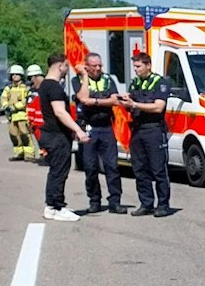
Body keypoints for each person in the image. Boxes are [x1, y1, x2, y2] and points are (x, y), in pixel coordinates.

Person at [119, 52, 174, 217]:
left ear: (148, 65)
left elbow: (158, 107)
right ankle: (146, 203)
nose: (135, 70)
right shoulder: (135, 83)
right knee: (140, 168)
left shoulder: (160, 82)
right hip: (137, 129)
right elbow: (131, 105)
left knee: (158, 169)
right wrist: (126, 103)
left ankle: (163, 205)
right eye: (134, 66)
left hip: (154, 129)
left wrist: (135, 104)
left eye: (138, 66)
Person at [36, 55, 88, 222]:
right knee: (59, 171)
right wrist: (77, 130)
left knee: (56, 171)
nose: (68, 69)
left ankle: (52, 206)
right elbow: (59, 111)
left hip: (52, 134)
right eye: (66, 66)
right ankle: (56, 206)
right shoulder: (54, 88)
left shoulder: (44, 85)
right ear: (60, 66)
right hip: (56, 136)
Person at [74, 53, 125, 212]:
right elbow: (83, 98)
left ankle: (115, 201)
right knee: (90, 167)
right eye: (94, 66)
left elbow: (115, 100)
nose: (97, 69)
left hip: (106, 128)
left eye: (100, 66)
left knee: (112, 166)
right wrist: (84, 77)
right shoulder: (78, 80)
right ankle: (94, 201)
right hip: (88, 128)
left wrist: (95, 100)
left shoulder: (108, 79)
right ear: (86, 66)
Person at [1, 65, 34, 161]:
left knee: (25, 135)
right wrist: (5, 106)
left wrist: (14, 107)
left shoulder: (26, 88)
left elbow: (25, 101)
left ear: (21, 75)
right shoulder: (8, 88)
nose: (14, 76)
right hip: (12, 116)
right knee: (14, 135)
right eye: (13, 74)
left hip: (22, 115)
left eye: (17, 74)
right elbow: (3, 98)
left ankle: (29, 154)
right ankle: (18, 153)